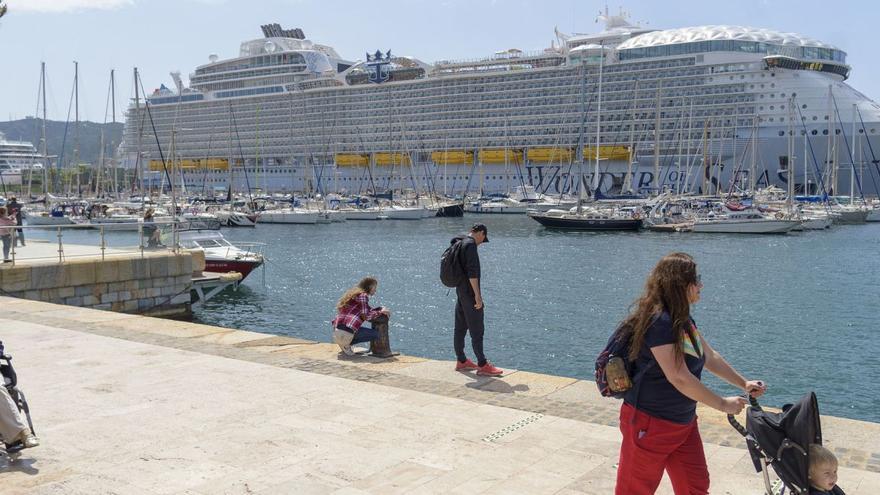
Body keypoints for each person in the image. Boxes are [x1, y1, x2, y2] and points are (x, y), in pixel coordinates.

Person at [615, 252, 766, 495]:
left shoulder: (682, 319)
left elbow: (709, 356)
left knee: (695, 486)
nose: (701, 285)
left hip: (683, 423)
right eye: (696, 280)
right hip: (650, 423)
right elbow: (679, 376)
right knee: (635, 490)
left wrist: (743, 383)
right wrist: (721, 404)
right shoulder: (659, 322)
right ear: (680, 285)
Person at [451, 224, 503, 376]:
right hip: (469, 293)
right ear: (480, 233)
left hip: (460, 292)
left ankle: (461, 360)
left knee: (460, 327)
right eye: (483, 238)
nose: (482, 242)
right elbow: (472, 274)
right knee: (477, 329)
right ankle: (482, 364)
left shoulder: (459, 242)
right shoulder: (471, 245)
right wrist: (478, 296)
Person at [331, 277, 390, 356]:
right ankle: (347, 344)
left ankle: (344, 343)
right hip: (346, 333)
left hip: (337, 332)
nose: (375, 290)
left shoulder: (353, 296)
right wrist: (380, 312)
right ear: (369, 287)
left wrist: (380, 309)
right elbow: (367, 316)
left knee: (353, 331)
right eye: (374, 287)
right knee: (376, 334)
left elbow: (367, 310)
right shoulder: (363, 296)